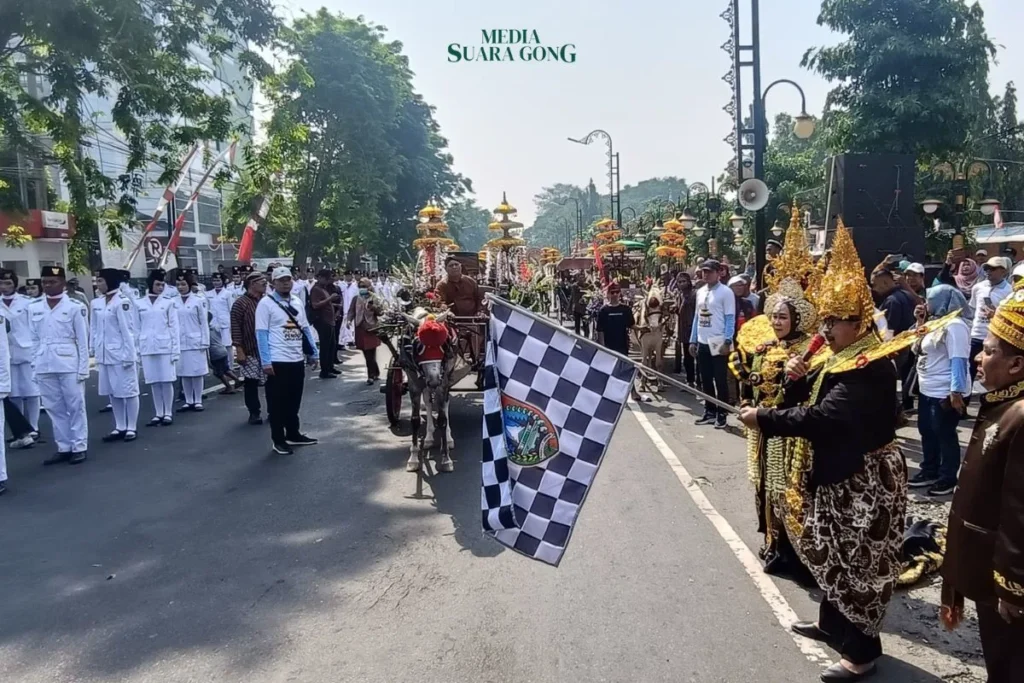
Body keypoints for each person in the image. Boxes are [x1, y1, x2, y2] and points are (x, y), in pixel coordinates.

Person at [739, 223, 906, 681]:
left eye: (835, 322)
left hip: (863, 477)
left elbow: (824, 418)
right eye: (825, 320)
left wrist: (765, 419)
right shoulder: (837, 355)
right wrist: (793, 379)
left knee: (855, 561)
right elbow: (806, 401)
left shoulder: (868, 365)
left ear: (859, 322)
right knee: (828, 550)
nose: (826, 329)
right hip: (835, 470)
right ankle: (831, 625)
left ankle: (861, 652)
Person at [940, 279, 1024, 682]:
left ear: (1017, 364)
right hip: (992, 574)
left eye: (988, 351)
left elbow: (1018, 512)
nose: (977, 358)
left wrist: (1013, 586)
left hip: (1008, 585)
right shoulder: (1003, 404)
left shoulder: (1020, 416)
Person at [909, 284, 970, 496]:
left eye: (931, 300)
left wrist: (956, 391)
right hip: (927, 389)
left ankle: (948, 477)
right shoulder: (934, 323)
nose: (927, 304)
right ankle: (930, 470)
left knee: (944, 434)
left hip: (944, 391)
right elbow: (915, 348)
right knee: (927, 431)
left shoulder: (955, 325)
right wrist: (920, 322)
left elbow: (958, 359)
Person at [255, 267, 319, 454]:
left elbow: (305, 329)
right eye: (281, 280)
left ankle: (293, 433)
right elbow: (261, 334)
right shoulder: (265, 304)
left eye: (288, 279)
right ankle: (278, 439)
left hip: (296, 358)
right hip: (277, 360)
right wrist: (266, 362)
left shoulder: (297, 301)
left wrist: (313, 353)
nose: (285, 283)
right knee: (277, 403)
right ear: (272, 283)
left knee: (294, 400)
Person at [31, 266, 90, 465]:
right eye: (44, 282)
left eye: (52, 282)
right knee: (53, 407)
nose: (47, 285)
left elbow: (83, 340)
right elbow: (33, 339)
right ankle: (64, 446)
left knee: (75, 405)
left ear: (63, 283)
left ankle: (79, 445)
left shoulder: (74, 307)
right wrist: (34, 365)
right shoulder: (35, 307)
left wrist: (84, 368)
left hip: (68, 362)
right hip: (44, 362)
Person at [92, 268, 141, 442]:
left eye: (100, 281)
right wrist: (94, 349)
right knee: (112, 392)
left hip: (120, 353)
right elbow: (94, 329)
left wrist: (130, 355)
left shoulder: (122, 302)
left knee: (128, 390)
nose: (97, 284)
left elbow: (128, 331)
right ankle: (119, 425)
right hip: (104, 353)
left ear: (109, 281)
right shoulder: (96, 303)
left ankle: (131, 426)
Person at [690, 259, 736, 429]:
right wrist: (692, 339)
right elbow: (697, 317)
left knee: (720, 379)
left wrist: (728, 340)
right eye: (704, 271)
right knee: (705, 379)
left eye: (710, 271)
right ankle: (709, 411)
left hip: (718, 341)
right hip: (702, 341)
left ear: (719, 273)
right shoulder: (700, 292)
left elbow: (730, 317)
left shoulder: (726, 292)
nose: (706, 274)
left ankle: (722, 413)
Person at [0, 270, 41, 437]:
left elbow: (35, 327)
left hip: (26, 349)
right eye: (1, 283)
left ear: (15, 285)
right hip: (7, 352)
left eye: (8, 283)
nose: (4, 287)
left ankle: (34, 426)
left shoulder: (27, 303)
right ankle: (20, 428)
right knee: (13, 392)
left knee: (32, 391)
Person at [137, 269, 180, 426]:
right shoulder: (139, 303)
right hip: (147, 346)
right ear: (150, 284)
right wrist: (137, 349)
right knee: (154, 381)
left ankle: (167, 412)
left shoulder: (168, 303)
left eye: (162, 285)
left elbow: (174, 327)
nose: (160, 288)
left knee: (166, 380)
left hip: (165, 345)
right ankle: (158, 412)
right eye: (157, 284)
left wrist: (175, 350)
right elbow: (135, 327)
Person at [968, 256, 1014, 385]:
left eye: (993, 269)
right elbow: (972, 310)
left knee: (994, 369)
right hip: (976, 334)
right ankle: (964, 399)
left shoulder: (1010, 291)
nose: (989, 271)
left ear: (1003, 271)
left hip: (996, 336)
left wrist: (996, 315)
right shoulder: (977, 287)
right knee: (970, 367)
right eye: (987, 268)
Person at [231, 270, 267, 425]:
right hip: (250, 349)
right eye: (262, 282)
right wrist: (239, 350)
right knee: (251, 383)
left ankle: (274, 410)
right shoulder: (240, 303)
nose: (265, 284)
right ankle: (254, 412)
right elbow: (235, 327)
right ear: (252, 284)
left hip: (268, 350)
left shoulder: (267, 302)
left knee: (272, 383)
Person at [173, 269, 210, 412]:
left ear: (189, 284)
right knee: (184, 372)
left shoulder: (198, 300)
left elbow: (203, 322)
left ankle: (198, 399)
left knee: (197, 371)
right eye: (178, 284)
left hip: (196, 340)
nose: (180, 287)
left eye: (183, 284)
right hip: (180, 341)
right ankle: (188, 400)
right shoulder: (173, 302)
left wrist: (205, 341)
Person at [347, 277, 383, 385]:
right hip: (360, 327)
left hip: (371, 327)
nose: (362, 289)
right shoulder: (355, 298)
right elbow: (351, 312)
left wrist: (374, 308)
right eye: (360, 287)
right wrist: (348, 321)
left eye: (364, 286)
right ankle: (374, 371)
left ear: (369, 287)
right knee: (366, 352)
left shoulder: (374, 298)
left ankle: (371, 375)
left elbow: (381, 312)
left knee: (370, 352)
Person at [309, 269, 341, 379]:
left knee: (332, 345)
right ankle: (325, 370)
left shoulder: (324, 289)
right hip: (323, 321)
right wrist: (330, 299)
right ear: (320, 277)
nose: (328, 281)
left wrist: (334, 304)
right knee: (325, 346)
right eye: (326, 278)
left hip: (329, 320)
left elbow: (326, 302)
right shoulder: (316, 289)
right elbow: (315, 305)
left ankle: (330, 367)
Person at [208, 312, 237, 393]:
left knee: (218, 372)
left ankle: (229, 387)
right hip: (222, 349)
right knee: (226, 369)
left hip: (215, 353)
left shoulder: (205, 331)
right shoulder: (215, 327)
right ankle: (237, 380)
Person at [209, 272, 234, 366]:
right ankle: (220, 367)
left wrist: (232, 325)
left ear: (222, 281)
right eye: (214, 280)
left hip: (225, 323)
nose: (216, 282)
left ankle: (230, 366)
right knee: (216, 346)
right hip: (213, 323)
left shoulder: (228, 293)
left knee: (227, 346)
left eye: (218, 280)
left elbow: (231, 309)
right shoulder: (209, 294)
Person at [339, 271, 357, 349]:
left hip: (352, 308)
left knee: (351, 325)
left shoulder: (355, 287)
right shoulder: (342, 286)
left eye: (349, 276)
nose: (348, 277)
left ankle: (351, 340)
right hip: (344, 308)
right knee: (343, 326)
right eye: (346, 276)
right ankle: (342, 341)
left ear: (352, 276)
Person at [569, 272, 591, 337]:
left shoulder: (587, 285)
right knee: (577, 325)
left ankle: (587, 338)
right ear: (577, 278)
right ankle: (578, 337)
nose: (581, 279)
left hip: (585, 308)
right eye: (580, 277)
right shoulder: (574, 286)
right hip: (577, 308)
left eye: (583, 277)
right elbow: (573, 296)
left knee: (586, 325)